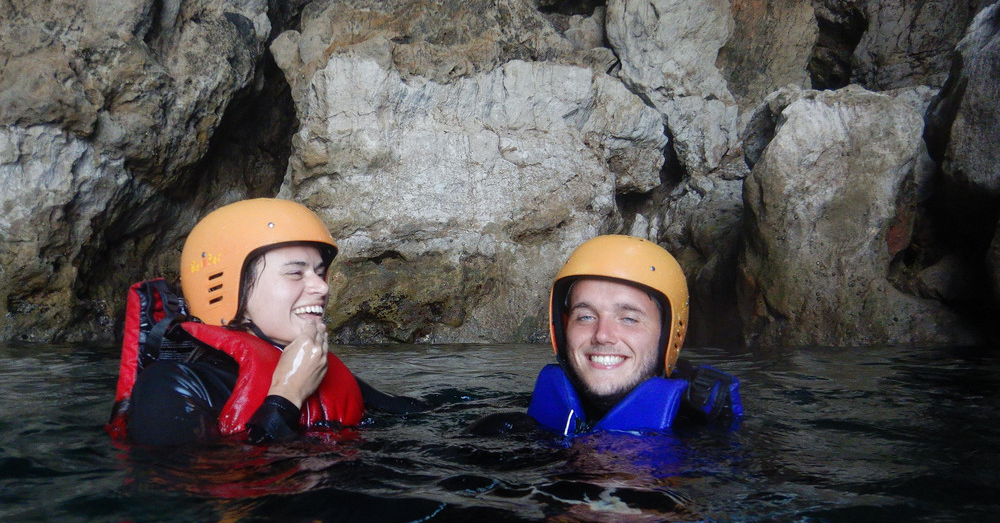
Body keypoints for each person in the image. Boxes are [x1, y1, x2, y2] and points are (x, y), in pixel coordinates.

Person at [115, 198, 423, 446]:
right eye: (295, 272)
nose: (323, 287)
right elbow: (191, 495)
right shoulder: (170, 385)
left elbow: (423, 417)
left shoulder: (318, 370)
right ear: (230, 289)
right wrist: (287, 393)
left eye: (319, 272)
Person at [474, 234, 742, 437]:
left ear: (671, 334)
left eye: (628, 318)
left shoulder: (709, 442)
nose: (602, 335)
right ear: (563, 329)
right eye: (586, 316)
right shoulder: (510, 433)